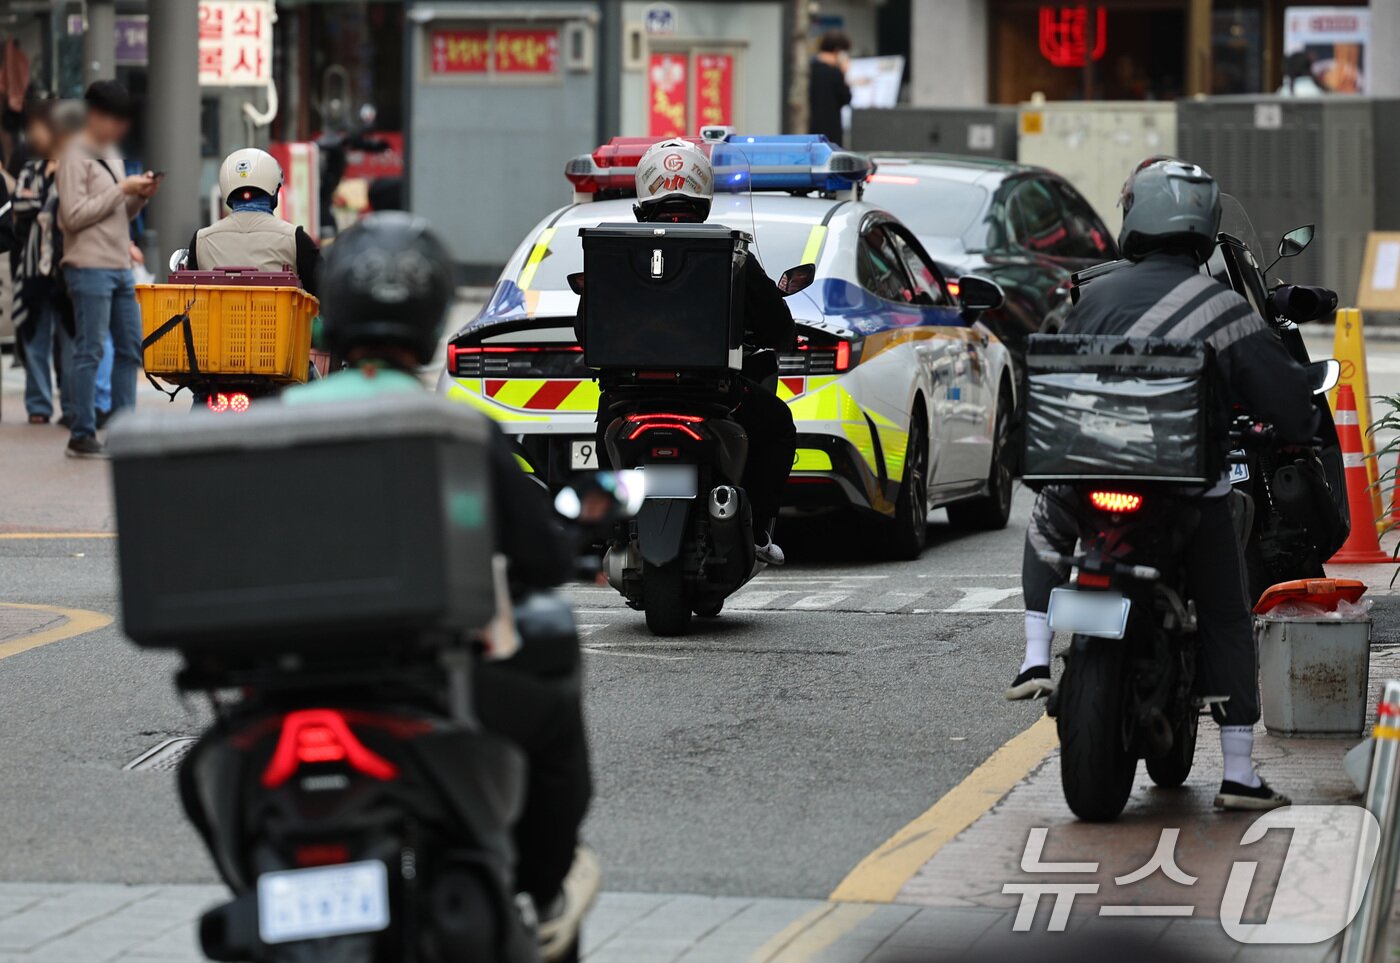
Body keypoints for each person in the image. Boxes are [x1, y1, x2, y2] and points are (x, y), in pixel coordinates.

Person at [282, 212, 598, 960]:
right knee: (551, 712)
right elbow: (545, 561)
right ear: (428, 324)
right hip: (428, 690)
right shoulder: (459, 432)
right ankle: (537, 891)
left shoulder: (273, 424)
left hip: (286, 692)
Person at [1008, 158, 1319, 812]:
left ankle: (1036, 654)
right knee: (1227, 605)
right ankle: (1238, 772)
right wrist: (1292, 424)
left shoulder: (1090, 298)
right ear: (1202, 226)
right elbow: (1287, 400)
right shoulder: (1220, 306)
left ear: (1135, 220)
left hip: (1082, 482)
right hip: (1182, 491)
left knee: (1043, 525)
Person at [577, 138, 797, 565]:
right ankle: (758, 531)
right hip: (715, 396)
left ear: (645, 191)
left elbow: (585, 331)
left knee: (605, 428)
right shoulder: (731, 251)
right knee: (779, 425)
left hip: (629, 398)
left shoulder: (614, 252)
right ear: (703, 192)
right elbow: (776, 325)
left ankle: (615, 528)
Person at [56, 80, 159, 458]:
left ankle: (124, 432)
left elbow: (117, 213)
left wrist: (138, 198)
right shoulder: (73, 154)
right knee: (91, 350)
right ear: (94, 115)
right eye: (114, 119)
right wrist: (121, 190)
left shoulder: (111, 152)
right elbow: (72, 216)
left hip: (118, 265)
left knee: (131, 349)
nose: (120, 128)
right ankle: (81, 432)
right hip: (88, 265)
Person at [13, 99, 75, 426]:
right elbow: (19, 210)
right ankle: (39, 404)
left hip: (68, 268)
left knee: (70, 342)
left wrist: (42, 208)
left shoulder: (77, 171)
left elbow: (75, 211)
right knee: (35, 336)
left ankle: (71, 403)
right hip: (34, 268)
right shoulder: (30, 170)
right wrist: (49, 206)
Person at [184, 148, 320, 295]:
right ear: (275, 190)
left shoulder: (201, 240)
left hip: (217, 318)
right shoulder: (295, 238)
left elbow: (190, 296)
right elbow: (323, 290)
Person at [808, 30, 852, 147]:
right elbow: (846, 98)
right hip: (831, 132)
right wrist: (844, 72)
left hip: (810, 131)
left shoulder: (809, 69)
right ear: (838, 51)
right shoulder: (835, 73)